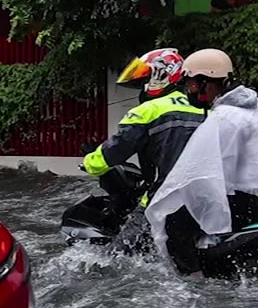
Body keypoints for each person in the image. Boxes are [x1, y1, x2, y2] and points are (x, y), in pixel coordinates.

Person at [145, 48, 258, 275]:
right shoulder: (257, 105)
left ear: (205, 82)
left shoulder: (225, 117)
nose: (190, 90)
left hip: (253, 199)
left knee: (174, 222)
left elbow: (201, 171)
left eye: (192, 83)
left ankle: (191, 282)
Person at [81, 48, 207, 206]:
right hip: (205, 198)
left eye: (146, 78)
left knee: (132, 230)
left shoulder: (149, 110)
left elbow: (119, 146)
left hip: (163, 198)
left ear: (161, 75)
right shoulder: (204, 107)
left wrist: (89, 163)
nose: (144, 86)